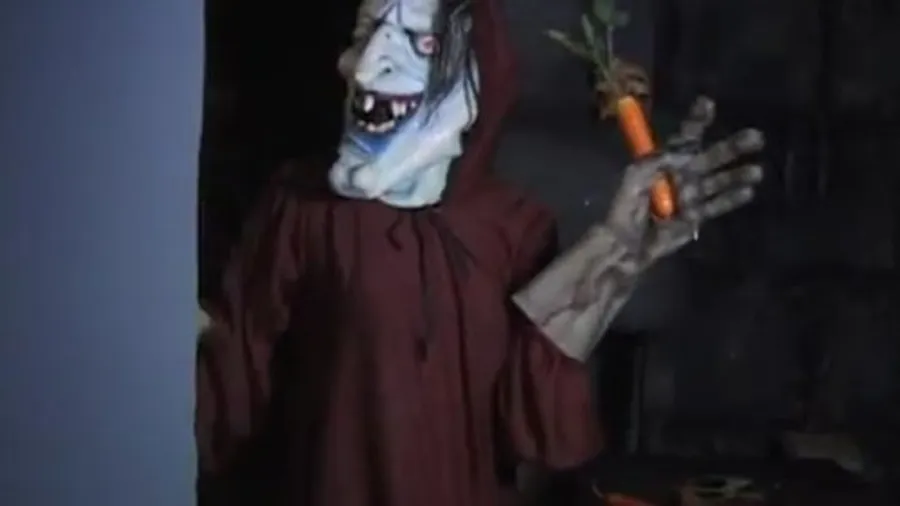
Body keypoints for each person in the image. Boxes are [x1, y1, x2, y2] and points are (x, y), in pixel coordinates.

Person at [195, 0, 764, 504]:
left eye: (421, 42)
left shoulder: (515, 225)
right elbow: (230, 378)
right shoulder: (301, 208)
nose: (364, 66)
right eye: (364, 35)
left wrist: (616, 255)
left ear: (477, 72)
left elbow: (533, 427)